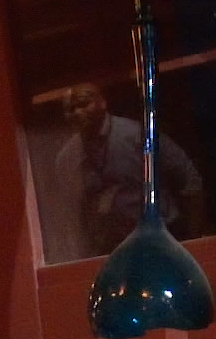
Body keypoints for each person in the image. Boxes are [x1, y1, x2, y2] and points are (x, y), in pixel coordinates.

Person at [52, 82, 203, 254]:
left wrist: (194, 239)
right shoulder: (66, 159)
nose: (77, 112)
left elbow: (189, 178)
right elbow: (69, 216)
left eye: (83, 103)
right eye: (70, 109)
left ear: (102, 103)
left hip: (162, 242)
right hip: (111, 252)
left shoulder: (138, 135)